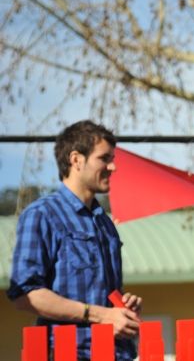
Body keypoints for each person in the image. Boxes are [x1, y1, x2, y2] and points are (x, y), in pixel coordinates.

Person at [7, 120, 142, 361]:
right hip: (69, 354)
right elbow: (24, 294)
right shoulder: (42, 215)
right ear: (76, 159)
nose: (113, 167)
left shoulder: (105, 223)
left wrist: (121, 309)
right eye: (104, 158)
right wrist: (101, 315)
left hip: (117, 353)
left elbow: (102, 298)